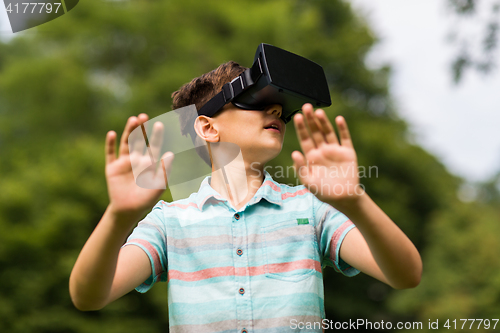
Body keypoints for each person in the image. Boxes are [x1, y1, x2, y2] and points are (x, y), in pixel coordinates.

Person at [69, 61, 422, 332]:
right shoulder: (169, 222)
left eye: (281, 108)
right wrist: (118, 216)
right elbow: (88, 296)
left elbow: (406, 275)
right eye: (256, 101)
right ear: (207, 126)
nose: (276, 112)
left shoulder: (310, 210)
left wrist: (355, 201)